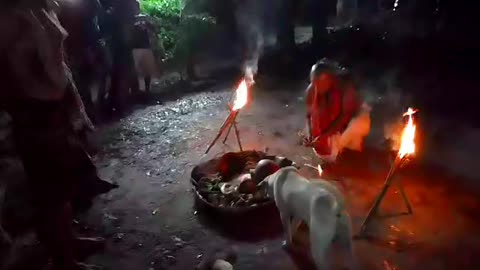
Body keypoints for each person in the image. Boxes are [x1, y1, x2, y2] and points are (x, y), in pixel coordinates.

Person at [0, 1, 114, 269]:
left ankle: (69, 241)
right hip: (32, 114)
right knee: (49, 192)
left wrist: (77, 110)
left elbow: (61, 64)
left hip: (56, 107)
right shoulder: (6, 19)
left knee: (64, 185)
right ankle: (63, 260)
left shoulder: (43, 9)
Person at [303, 59, 371, 162]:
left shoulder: (345, 88)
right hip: (334, 123)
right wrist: (310, 134)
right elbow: (309, 115)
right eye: (313, 82)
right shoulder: (312, 90)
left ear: (330, 80)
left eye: (319, 83)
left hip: (351, 118)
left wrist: (325, 136)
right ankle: (337, 148)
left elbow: (345, 117)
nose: (315, 87)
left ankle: (350, 150)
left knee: (359, 124)